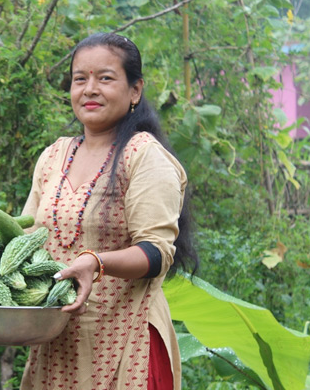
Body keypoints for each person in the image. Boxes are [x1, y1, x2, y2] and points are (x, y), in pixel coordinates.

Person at [19, 33, 199, 390]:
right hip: (57, 339)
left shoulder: (143, 155)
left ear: (135, 91)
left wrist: (95, 262)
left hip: (125, 338)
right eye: (80, 79)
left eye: (105, 78)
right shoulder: (54, 156)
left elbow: (156, 252)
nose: (89, 89)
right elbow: (25, 236)